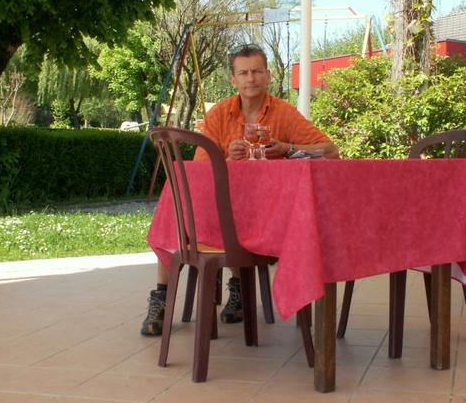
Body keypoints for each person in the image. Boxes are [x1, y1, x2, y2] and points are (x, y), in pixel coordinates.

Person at [141, 43, 339, 335]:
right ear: (232, 79)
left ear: (269, 75)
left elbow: (331, 151)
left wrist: (288, 148)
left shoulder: (284, 114)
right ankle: (161, 295)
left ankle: (238, 288)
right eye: (243, 72)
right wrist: (225, 157)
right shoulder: (219, 115)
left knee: (237, 221)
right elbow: (200, 167)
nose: (251, 78)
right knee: (180, 217)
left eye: (257, 71)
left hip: (268, 213)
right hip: (220, 211)